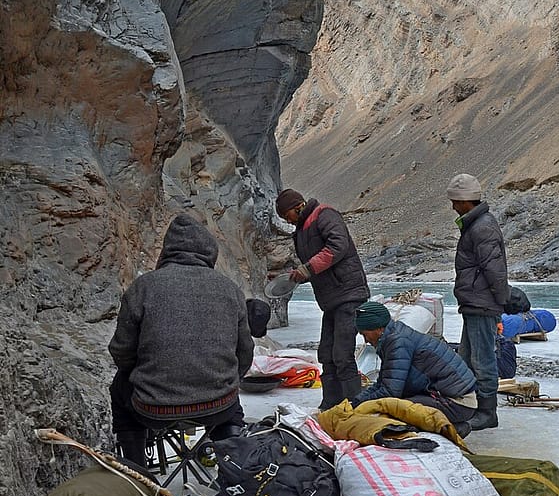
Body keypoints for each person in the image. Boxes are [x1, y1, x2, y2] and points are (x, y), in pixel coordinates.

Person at [108, 214, 253, 466]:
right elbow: (245, 353)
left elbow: (121, 351)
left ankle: (137, 470)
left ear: (167, 251)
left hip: (153, 410)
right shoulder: (230, 289)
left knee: (120, 386)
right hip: (218, 406)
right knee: (231, 404)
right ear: (209, 251)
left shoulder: (143, 287)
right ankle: (232, 466)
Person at [276, 188, 369, 410]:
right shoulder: (301, 231)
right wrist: (294, 277)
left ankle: (356, 406)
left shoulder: (325, 215)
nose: (286, 221)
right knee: (326, 353)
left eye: (285, 215)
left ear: (295, 207)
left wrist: (307, 269)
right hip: (331, 300)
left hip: (349, 294)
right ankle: (331, 403)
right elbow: (317, 265)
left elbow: (337, 246)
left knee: (342, 354)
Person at [351, 301, 476, 436]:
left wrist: (362, 406)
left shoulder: (398, 342)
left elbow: (391, 392)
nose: (366, 341)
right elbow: (383, 382)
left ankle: (453, 429)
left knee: (396, 412)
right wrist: (357, 401)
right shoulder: (393, 336)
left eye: (365, 334)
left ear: (379, 329)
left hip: (457, 403)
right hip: (448, 397)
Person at [447, 173, 509, 430]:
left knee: (483, 360)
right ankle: (470, 405)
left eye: (454, 201)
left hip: (482, 304)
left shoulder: (482, 227)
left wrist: (501, 301)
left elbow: (494, 269)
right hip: (475, 303)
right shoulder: (476, 225)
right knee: (467, 357)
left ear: (465, 201)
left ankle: (487, 412)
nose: (452, 206)